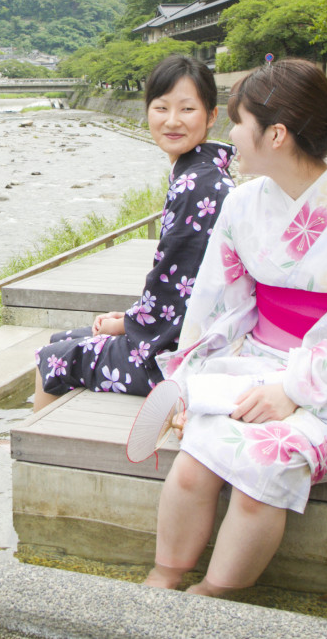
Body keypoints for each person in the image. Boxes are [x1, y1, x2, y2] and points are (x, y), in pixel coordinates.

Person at [145, 58, 327, 596]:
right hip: (254, 368)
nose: (230, 137)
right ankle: (164, 575)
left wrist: (294, 390)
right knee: (194, 464)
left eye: (238, 123)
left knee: (262, 472)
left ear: (275, 134)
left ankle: (216, 594)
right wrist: (186, 376)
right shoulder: (244, 204)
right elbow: (216, 303)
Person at [33, 55, 236, 411]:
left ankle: (26, 451)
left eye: (187, 109)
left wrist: (127, 325)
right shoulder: (203, 173)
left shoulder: (195, 185)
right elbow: (176, 281)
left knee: (53, 356)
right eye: (161, 108)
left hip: (179, 357)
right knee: (66, 338)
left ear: (212, 115)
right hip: (194, 332)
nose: (172, 121)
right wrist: (128, 319)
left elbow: (176, 288)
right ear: (148, 111)